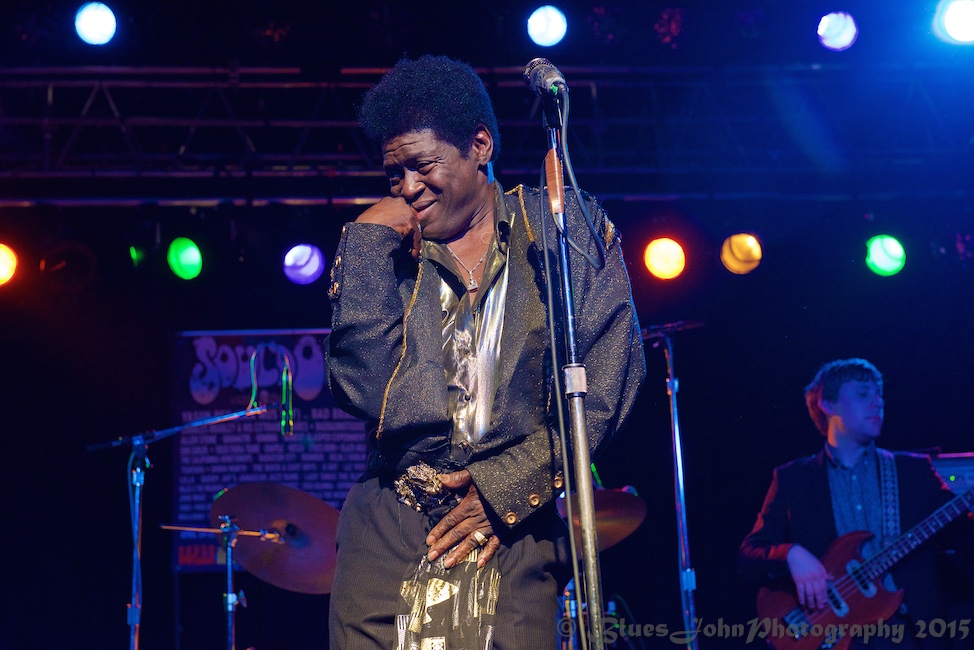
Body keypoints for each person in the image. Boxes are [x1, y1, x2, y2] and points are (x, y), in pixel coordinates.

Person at [324, 54, 645, 649]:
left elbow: (606, 381)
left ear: (479, 145)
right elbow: (363, 389)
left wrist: (506, 486)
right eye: (394, 175)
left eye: (422, 166)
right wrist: (366, 247)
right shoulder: (385, 249)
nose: (408, 189)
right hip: (389, 536)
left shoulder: (560, 228)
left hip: (513, 534)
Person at [737, 358, 974, 649]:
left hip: (908, 635)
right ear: (827, 404)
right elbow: (748, 557)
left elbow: (964, 535)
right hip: (835, 637)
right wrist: (790, 554)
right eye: (863, 394)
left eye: (879, 394)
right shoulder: (793, 479)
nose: (877, 403)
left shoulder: (913, 471)